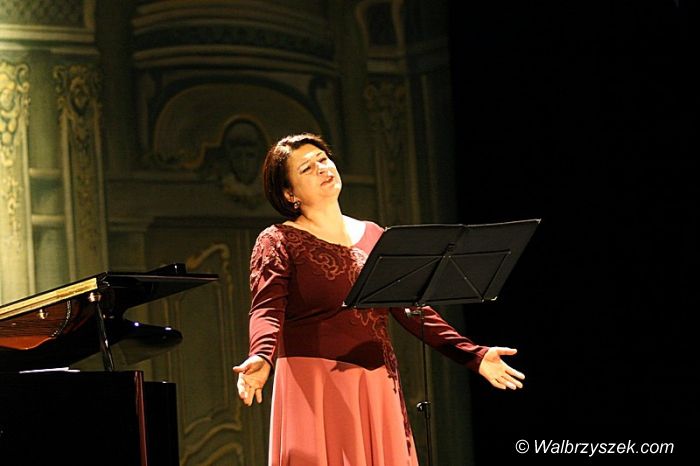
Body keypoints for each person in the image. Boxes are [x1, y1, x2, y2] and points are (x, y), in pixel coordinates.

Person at [233, 132, 525, 466]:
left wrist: (474, 355)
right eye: (307, 168)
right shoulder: (278, 240)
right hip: (314, 383)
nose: (322, 168)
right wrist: (261, 355)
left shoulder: (374, 235)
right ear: (290, 193)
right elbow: (267, 308)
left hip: (375, 381)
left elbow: (412, 309)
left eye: (323, 159)